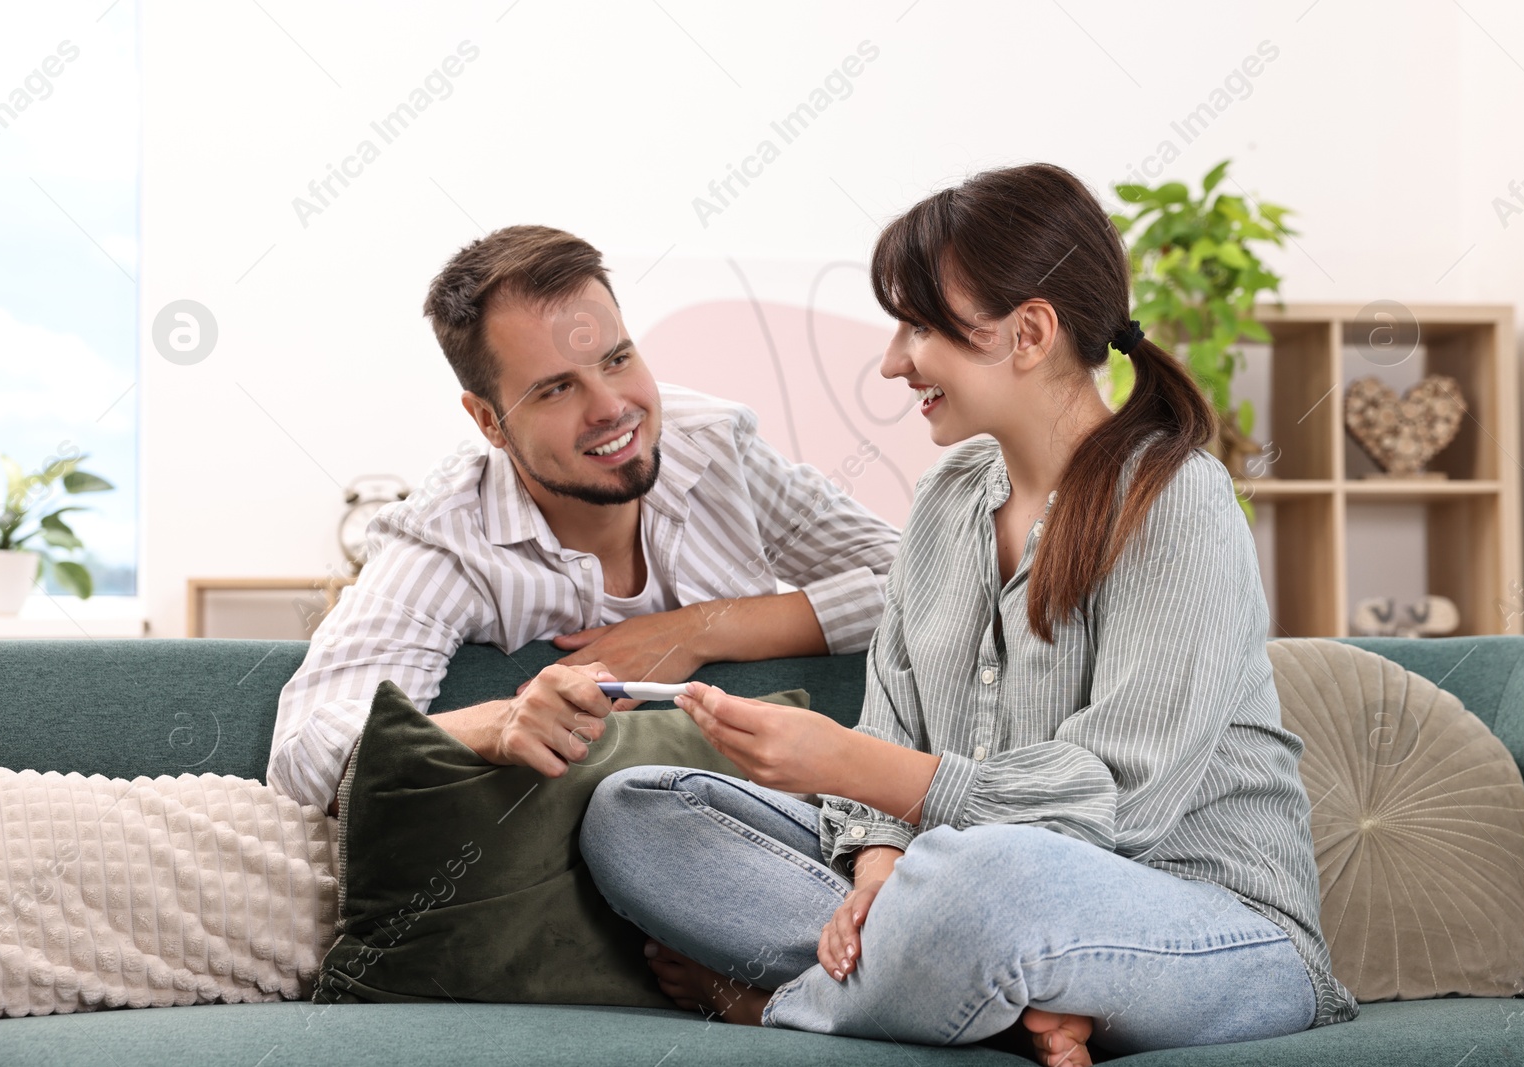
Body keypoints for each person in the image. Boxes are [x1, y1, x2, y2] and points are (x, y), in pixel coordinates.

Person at [579, 163, 1359, 1065]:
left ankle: (777, 1006)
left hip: (1205, 921)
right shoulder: (946, 499)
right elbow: (894, 729)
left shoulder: (1177, 500)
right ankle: (980, 994)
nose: (893, 360)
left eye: (918, 326)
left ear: (1029, 332)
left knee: (987, 876)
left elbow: (1122, 798)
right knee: (637, 809)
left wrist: (861, 770)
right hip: (968, 890)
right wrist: (877, 865)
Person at [266, 224, 901, 813]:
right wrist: (497, 725)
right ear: (489, 420)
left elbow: (940, 582)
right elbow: (303, 757)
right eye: (556, 389)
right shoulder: (448, 539)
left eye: (618, 360)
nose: (612, 409)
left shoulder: (709, 448)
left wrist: (704, 630)